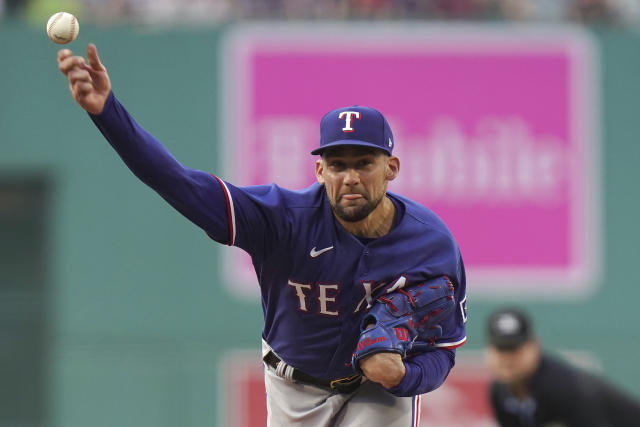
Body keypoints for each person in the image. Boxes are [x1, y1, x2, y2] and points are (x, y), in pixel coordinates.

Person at [56, 44, 468, 426]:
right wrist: (107, 113)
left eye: (364, 162)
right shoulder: (281, 218)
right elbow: (177, 182)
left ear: (391, 168)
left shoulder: (431, 245)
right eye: (338, 164)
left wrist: (405, 377)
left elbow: (444, 349)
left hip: (378, 393)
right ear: (319, 170)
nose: (351, 177)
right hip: (295, 389)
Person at [486, 308, 640, 427]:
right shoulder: (500, 393)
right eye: (500, 349)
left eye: (514, 349)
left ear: (534, 347)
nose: (506, 359)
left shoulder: (564, 388)